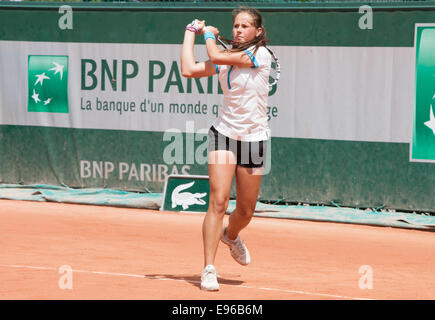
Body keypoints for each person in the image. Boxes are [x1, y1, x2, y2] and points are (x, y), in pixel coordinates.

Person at [181, 6, 272, 291]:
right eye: (236, 26)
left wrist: (207, 34)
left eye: (245, 26)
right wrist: (190, 33)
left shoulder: (260, 54)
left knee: (245, 210)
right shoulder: (225, 58)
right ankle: (209, 268)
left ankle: (231, 236)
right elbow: (188, 69)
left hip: (254, 138)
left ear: (257, 32)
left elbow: (218, 54)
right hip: (223, 134)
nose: (238, 30)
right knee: (218, 201)